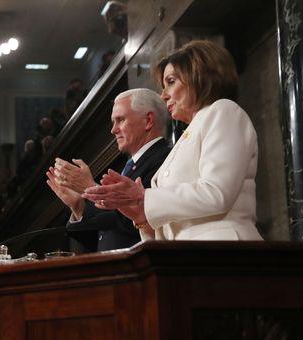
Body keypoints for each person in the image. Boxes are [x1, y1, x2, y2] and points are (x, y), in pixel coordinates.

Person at [83, 40, 263, 241]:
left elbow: (216, 193)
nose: (163, 95)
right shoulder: (186, 136)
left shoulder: (223, 111)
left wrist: (143, 196)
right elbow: (177, 225)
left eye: (170, 81)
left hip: (224, 251)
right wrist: (141, 216)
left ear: (199, 77)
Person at [47, 88, 170, 251]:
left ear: (148, 120)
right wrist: (78, 206)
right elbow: (104, 235)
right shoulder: (128, 166)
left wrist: (90, 188)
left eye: (120, 120)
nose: (113, 130)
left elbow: (140, 221)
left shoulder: (165, 159)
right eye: (113, 122)